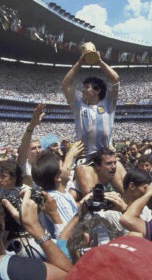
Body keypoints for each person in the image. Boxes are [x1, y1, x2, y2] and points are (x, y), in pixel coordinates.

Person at [61, 50, 127, 196]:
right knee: (89, 194)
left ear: (97, 90)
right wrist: (80, 62)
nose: (83, 90)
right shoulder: (78, 105)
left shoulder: (108, 103)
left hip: (107, 156)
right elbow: (66, 84)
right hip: (85, 157)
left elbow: (115, 79)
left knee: (126, 189)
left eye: (87, 87)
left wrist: (98, 61)